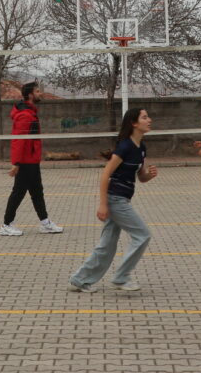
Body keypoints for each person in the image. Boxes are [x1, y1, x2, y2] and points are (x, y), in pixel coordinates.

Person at [68, 107, 159, 293]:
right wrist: (103, 204)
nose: (149, 120)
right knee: (143, 235)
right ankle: (121, 277)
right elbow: (105, 174)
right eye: (144, 117)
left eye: (148, 116)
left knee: (107, 245)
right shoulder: (124, 146)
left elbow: (141, 177)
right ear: (134, 123)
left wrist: (150, 175)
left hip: (122, 199)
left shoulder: (141, 148)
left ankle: (80, 279)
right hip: (115, 200)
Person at [0, 81, 63, 236]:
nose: (40, 93)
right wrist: (16, 163)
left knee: (37, 192)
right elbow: (18, 140)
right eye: (37, 91)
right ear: (30, 95)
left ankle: (45, 222)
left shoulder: (31, 112)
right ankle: (6, 224)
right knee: (18, 193)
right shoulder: (25, 115)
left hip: (32, 160)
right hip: (25, 162)